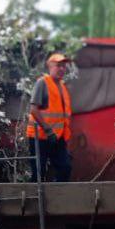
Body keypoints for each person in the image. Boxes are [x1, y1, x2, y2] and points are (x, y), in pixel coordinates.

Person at [25, 53, 73, 182]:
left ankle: (56, 197)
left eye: (63, 66)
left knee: (65, 168)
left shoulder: (62, 87)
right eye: (58, 66)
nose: (62, 69)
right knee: (38, 173)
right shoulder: (42, 83)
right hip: (40, 137)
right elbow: (34, 109)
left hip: (57, 137)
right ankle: (34, 200)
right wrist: (48, 130)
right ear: (50, 66)